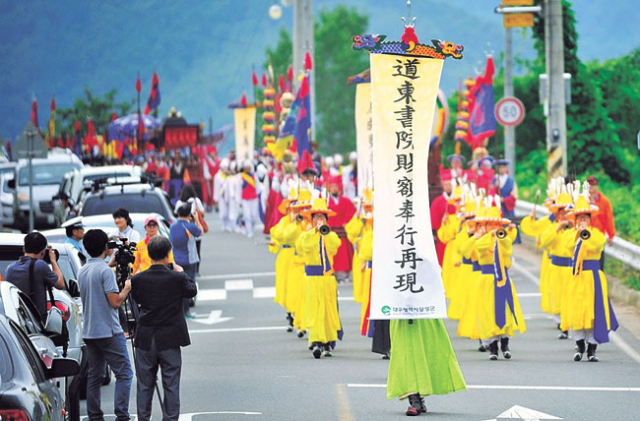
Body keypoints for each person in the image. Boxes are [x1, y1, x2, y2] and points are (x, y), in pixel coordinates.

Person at [131, 236, 197, 421]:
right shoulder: (177, 278)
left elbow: (136, 299)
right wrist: (181, 271)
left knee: (144, 384)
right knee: (171, 384)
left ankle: (143, 418)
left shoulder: (139, 279)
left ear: (149, 254)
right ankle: (170, 418)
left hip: (146, 336)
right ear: (168, 254)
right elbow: (191, 291)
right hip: (170, 337)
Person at [78, 229, 133, 421]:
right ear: (105, 247)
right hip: (109, 331)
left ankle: (95, 416)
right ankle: (122, 415)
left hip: (90, 331)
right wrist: (126, 288)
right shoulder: (105, 272)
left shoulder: (83, 270)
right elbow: (115, 302)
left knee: (95, 376)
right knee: (125, 373)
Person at [561, 186, 618, 362]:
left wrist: (585, 236)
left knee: (595, 313)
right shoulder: (571, 235)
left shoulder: (597, 234)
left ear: (589, 219)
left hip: (594, 277)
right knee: (578, 311)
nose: (583, 220)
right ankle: (579, 346)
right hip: (578, 276)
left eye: (585, 217)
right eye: (580, 218)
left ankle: (592, 350)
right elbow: (567, 248)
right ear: (575, 219)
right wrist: (577, 236)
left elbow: (596, 247)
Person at [298, 197, 342, 358]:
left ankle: (328, 342)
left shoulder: (331, 235)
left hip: (326, 278)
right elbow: (305, 248)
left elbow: (334, 247)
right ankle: (316, 341)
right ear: (311, 219)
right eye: (316, 217)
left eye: (322, 217)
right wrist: (314, 231)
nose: (319, 220)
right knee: (314, 310)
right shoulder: (306, 236)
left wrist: (325, 232)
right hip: (312, 278)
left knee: (328, 311)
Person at [4, 232, 65, 322]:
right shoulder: (40, 265)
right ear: (43, 252)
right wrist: (53, 261)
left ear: (24, 249)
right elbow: (60, 284)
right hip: (36, 323)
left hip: (17, 322)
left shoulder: (10, 269)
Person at [170, 204, 203, 317]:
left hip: (176, 260)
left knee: (178, 286)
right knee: (188, 285)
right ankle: (186, 311)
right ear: (189, 214)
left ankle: (179, 311)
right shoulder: (190, 226)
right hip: (189, 259)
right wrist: (197, 219)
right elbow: (201, 232)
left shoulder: (172, 227)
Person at [326, 175, 356, 283]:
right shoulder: (325, 201)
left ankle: (344, 273)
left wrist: (346, 223)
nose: (334, 189)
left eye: (336, 186)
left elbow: (351, 213)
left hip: (343, 232)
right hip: (330, 232)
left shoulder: (346, 201)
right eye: (332, 187)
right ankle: (331, 271)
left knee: (344, 254)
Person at [587, 175, 615, 269]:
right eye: (589, 184)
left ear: (597, 186)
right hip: (585, 236)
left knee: (599, 265)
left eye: (593, 184)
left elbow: (609, 219)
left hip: (599, 237)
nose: (591, 186)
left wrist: (611, 235)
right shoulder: (582, 199)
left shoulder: (604, 201)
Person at [430, 170, 456, 266]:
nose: (448, 187)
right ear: (442, 185)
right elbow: (434, 221)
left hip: (457, 238)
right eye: (446, 184)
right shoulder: (438, 201)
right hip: (443, 239)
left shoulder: (458, 200)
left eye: (450, 184)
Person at [240, 159, 260, 238]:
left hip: (254, 198)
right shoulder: (241, 177)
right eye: (246, 167)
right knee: (247, 215)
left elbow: (258, 187)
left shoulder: (254, 176)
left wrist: (258, 197)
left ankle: (252, 227)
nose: (247, 168)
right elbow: (238, 189)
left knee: (254, 216)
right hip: (245, 199)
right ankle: (249, 231)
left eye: (248, 167)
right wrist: (239, 201)